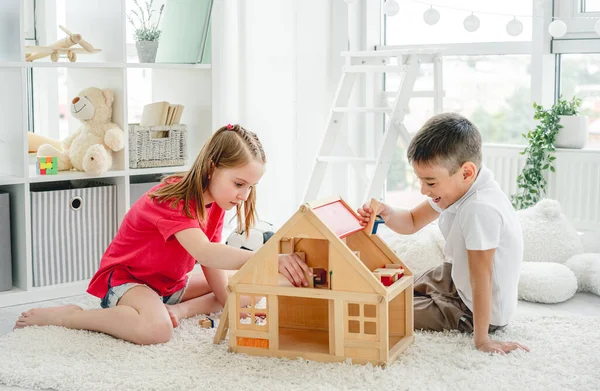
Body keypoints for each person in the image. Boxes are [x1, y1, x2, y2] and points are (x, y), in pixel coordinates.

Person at [15, 124, 310, 345]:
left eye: (250, 188)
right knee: (157, 331)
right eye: (238, 184)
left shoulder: (217, 204)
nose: (244, 195)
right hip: (127, 282)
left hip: (170, 286)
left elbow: (212, 264)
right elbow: (205, 253)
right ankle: (71, 316)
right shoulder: (174, 199)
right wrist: (269, 257)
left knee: (235, 285)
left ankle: (179, 311)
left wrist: (231, 307)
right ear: (211, 168)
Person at [358, 113, 529, 355]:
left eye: (430, 182)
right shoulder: (459, 187)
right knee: (388, 287)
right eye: (420, 181)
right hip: (454, 277)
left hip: (474, 307)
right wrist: (387, 213)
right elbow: (413, 221)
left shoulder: (480, 208)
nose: (423, 190)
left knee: (383, 309)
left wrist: (482, 340)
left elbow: (482, 277)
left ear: (466, 172)